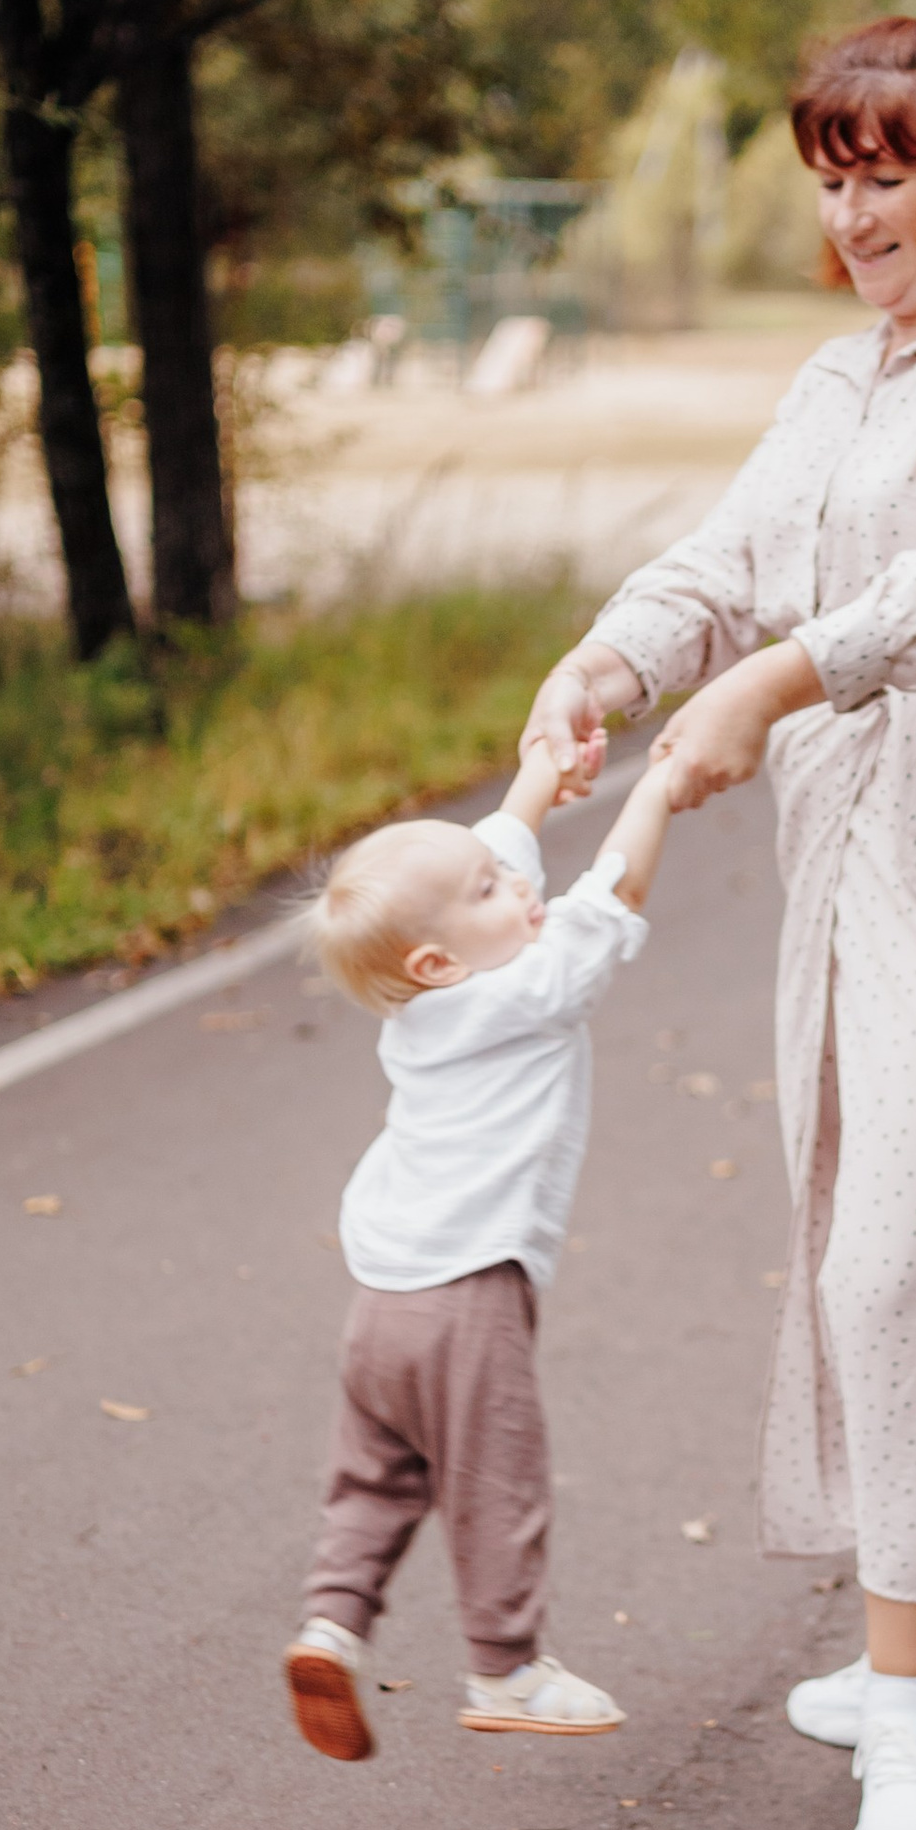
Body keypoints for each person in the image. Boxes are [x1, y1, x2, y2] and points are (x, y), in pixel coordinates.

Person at [519, 16, 916, 1830]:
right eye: (829, 180)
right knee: (881, 1232)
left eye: (886, 178)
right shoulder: (841, 375)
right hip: (857, 834)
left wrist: (783, 680)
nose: (851, 217)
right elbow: (726, 563)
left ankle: (902, 1718)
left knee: (899, 1263)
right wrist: (609, 667)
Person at [287, 742, 678, 1756]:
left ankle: (331, 1625)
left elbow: (491, 861)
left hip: (381, 1303)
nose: (518, 886)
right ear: (436, 959)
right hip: (467, 1299)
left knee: (376, 1475)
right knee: (495, 1480)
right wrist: (660, 787)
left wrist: (540, 779)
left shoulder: (428, 1003)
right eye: (492, 889)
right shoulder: (527, 989)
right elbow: (612, 898)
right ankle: (504, 1668)